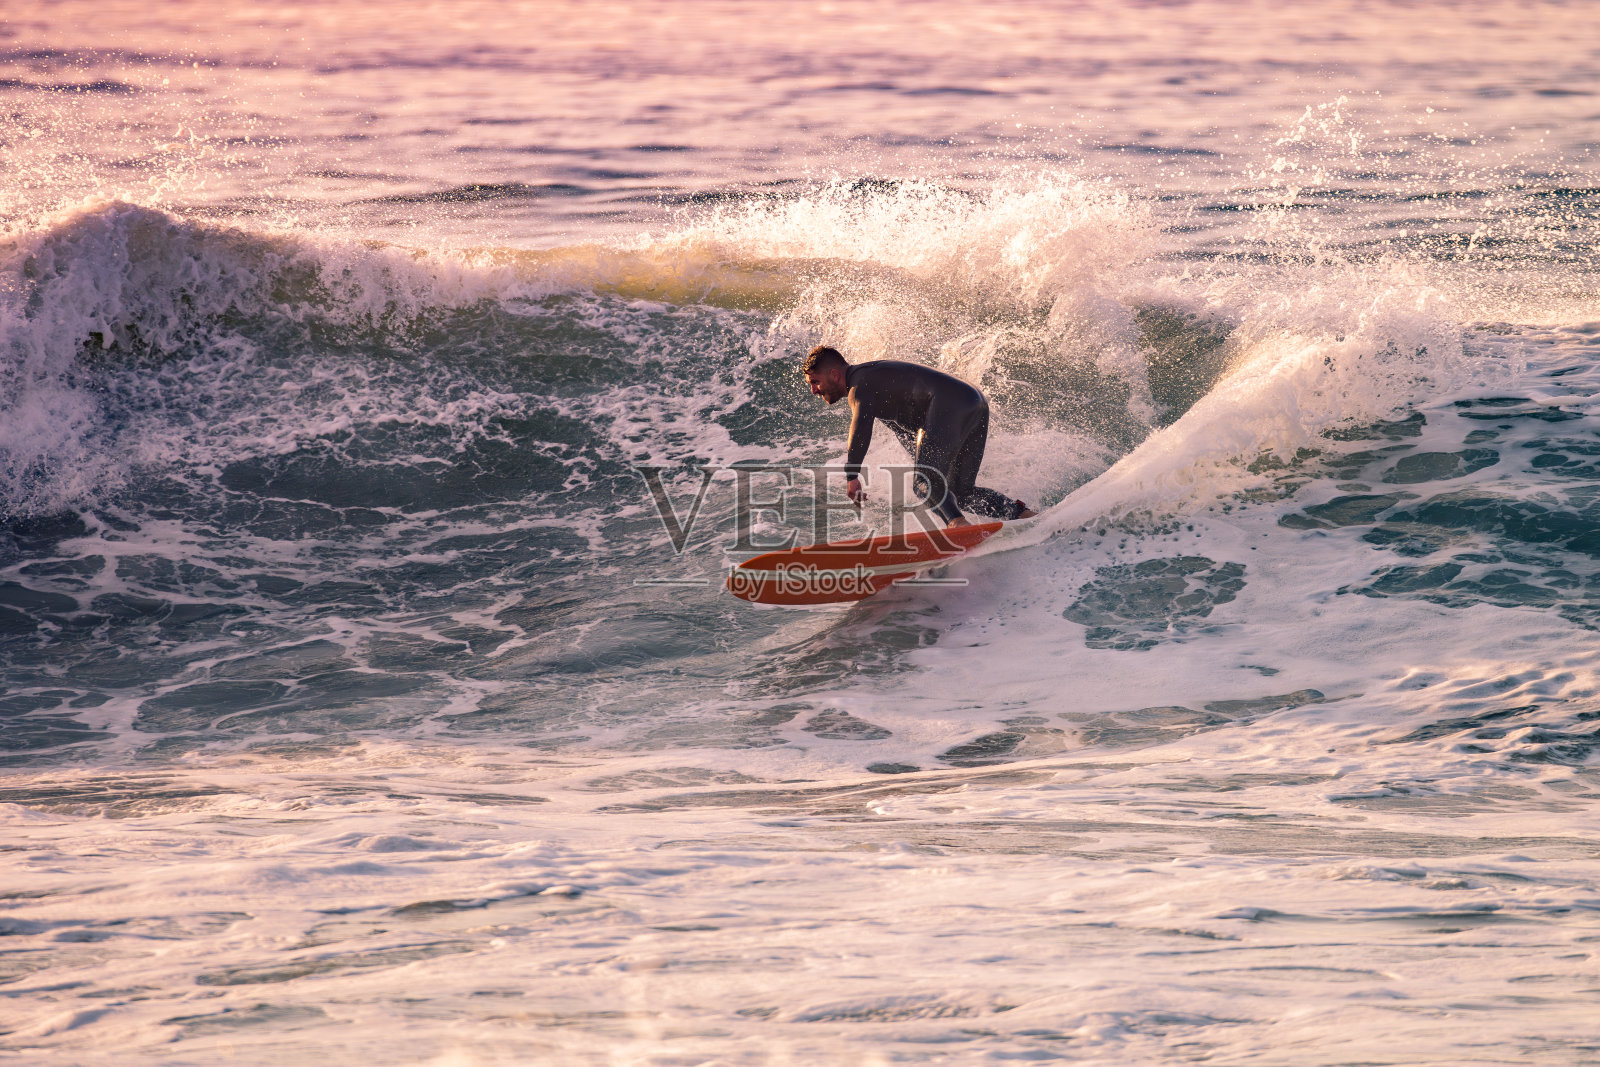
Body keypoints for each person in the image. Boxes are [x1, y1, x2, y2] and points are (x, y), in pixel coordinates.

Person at [801, 345, 1036, 527]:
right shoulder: (873, 383)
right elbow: (909, 434)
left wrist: (851, 476)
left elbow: (860, 427)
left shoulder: (859, 386)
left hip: (948, 403)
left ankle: (958, 527)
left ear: (834, 374)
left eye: (815, 382)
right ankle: (1024, 515)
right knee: (959, 492)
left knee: (925, 483)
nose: (813, 390)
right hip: (973, 401)